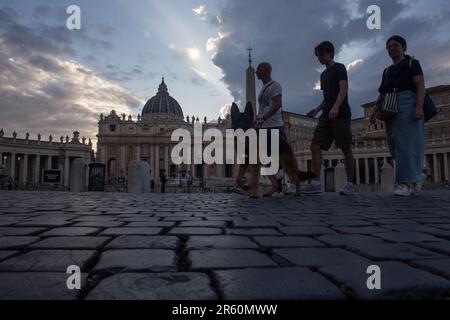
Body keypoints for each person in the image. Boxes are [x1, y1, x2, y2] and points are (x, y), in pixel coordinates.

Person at [370, 35, 426, 196]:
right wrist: (374, 111)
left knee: (405, 144)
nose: (391, 49)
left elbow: (420, 85)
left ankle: (405, 182)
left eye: (395, 45)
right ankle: (414, 179)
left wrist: (419, 107)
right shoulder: (387, 71)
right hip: (390, 106)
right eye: (388, 47)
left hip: (407, 102)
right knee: (394, 144)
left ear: (403, 47)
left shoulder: (412, 63)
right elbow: (382, 93)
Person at [304, 41, 354, 195]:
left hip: (341, 114)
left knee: (345, 148)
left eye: (320, 54)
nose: (318, 58)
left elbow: (343, 88)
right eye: (317, 55)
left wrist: (336, 107)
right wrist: (317, 109)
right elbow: (327, 96)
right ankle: (316, 182)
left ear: (328, 53)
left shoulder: (339, 68)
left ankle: (349, 183)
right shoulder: (323, 74)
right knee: (315, 146)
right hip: (326, 116)